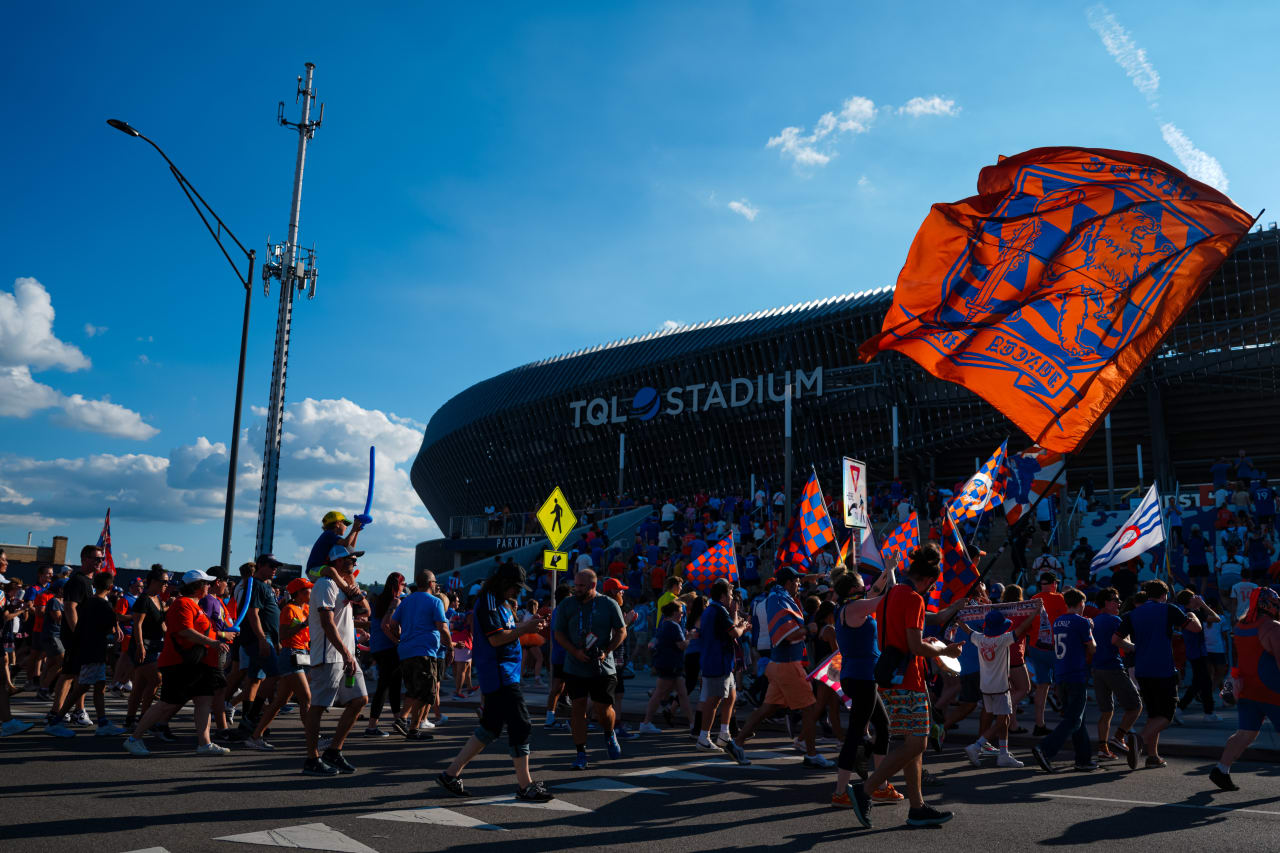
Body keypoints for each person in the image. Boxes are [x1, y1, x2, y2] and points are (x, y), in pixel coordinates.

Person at [850, 545, 962, 830]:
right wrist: (944, 652)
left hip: (890, 677)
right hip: (907, 680)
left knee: (915, 746)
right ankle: (866, 789)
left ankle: (917, 807)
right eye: (931, 586)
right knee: (917, 743)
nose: (929, 590)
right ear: (927, 580)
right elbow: (914, 645)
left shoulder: (890, 596)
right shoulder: (914, 598)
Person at [437, 562, 554, 802]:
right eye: (515, 587)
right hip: (500, 673)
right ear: (504, 584)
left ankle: (451, 774)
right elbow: (496, 639)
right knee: (521, 725)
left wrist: (529, 626)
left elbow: (507, 632)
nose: (518, 592)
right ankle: (525, 786)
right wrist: (525, 629)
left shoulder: (499, 602)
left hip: (504, 673)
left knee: (490, 727)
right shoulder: (489, 602)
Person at [123, 570, 237, 756]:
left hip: (196, 663)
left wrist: (218, 638)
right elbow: (184, 631)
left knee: (204, 701)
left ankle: (204, 743)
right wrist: (213, 642)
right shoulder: (183, 604)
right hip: (180, 663)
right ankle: (134, 738)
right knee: (167, 703)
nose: (209, 586)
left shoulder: (194, 604)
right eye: (206, 583)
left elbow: (201, 631)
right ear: (197, 586)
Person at [732, 567, 833, 769]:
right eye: (796, 581)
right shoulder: (779, 601)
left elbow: (790, 584)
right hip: (788, 664)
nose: (799, 585)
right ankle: (812, 754)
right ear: (788, 583)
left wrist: (808, 577)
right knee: (810, 709)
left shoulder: (778, 595)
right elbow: (787, 636)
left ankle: (736, 743)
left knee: (767, 709)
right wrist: (809, 630)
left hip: (779, 664)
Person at [1113, 580, 1203, 769]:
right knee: (1167, 715)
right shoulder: (1168, 609)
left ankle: (1153, 756)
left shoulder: (1133, 614)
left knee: (1154, 715)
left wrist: (1134, 648)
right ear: (1164, 595)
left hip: (1142, 670)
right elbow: (1195, 628)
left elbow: (1116, 639)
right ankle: (1139, 740)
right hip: (1162, 669)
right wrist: (1192, 614)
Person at [830, 571, 899, 808]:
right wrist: (890, 574)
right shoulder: (856, 608)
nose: (866, 586)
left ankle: (881, 785)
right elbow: (889, 598)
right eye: (861, 583)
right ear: (852, 590)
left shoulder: (847, 606)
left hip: (859, 675)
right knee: (856, 734)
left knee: (883, 726)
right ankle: (840, 792)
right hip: (862, 677)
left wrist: (886, 570)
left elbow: (875, 591)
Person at [302, 545, 370, 776]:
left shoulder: (344, 586)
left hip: (346, 654)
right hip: (329, 654)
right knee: (319, 707)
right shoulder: (325, 585)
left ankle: (334, 751)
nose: (355, 564)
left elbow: (366, 610)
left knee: (360, 699)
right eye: (351, 561)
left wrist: (354, 589)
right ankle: (312, 758)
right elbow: (327, 623)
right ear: (339, 562)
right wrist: (345, 654)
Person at [554, 568, 627, 769]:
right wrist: (574, 652)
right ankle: (580, 753)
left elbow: (622, 631)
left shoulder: (609, 604)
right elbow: (558, 633)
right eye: (575, 585)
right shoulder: (567, 604)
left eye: (581, 586)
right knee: (577, 707)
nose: (576, 589)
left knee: (602, 710)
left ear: (593, 586)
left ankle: (609, 733)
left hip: (602, 667)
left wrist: (607, 650)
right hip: (575, 666)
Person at [1210, 588, 1280, 791]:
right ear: (1268, 605)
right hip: (1272, 690)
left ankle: (1221, 769)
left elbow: (1239, 659)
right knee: (1246, 733)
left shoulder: (1240, 626)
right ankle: (1221, 770)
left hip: (1247, 688)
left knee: (1245, 733)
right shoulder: (1273, 628)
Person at [959, 605, 1039, 769]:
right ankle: (977, 746)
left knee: (1006, 718)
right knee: (1002, 721)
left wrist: (958, 619)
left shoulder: (980, 639)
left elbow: (968, 631)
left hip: (986, 686)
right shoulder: (1003, 639)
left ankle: (1003, 753)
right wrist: (1035, 613)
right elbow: (1022, 628)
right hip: (1001, 687)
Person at [1030, 588, 1097, 773]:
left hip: (1061, 675)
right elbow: (1092, 649)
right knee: (1074, 720)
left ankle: (1083, 759)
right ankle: (1045, 749)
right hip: (1076, 674)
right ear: (1081, 603)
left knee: (1078, 719)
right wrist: (1091, 628)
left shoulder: (1058, 621)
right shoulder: (1082, 622)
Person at [53, 571, 127, 737]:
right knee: (82, 687)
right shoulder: (103, 604)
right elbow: (111, 627)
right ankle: (55, 720)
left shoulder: (87, 603)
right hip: (94, 651)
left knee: (99, 686)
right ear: (110, 587)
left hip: (87, 649)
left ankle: (102, 722)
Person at [244, 578, 314, 751]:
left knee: (280, 701)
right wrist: (303, 625)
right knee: (306, 698)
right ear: (298, 593)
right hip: (290, 655)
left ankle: (255, 736)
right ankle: (313, 739)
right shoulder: (289, 609)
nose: (310, 593)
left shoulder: (305, 608)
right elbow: (283, 635)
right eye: (307, 590)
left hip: (301, 654)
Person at [387, 569, 452, 741]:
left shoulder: (406, 601)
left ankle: (409, 725)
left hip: (406, 650)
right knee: (427, 691)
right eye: (435, 582)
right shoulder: (435, 602)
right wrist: (451, 648)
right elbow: (443, 628)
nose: (436, 585)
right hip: (424, 651)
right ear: (431, 584)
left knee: (415, 689)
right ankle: (405, 721)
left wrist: (401, 637)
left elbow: (392, 623)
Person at [45, 545, 103, 735]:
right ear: (84, 558)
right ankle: (55, 715)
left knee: (78, 675)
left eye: (100, 559)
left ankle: (78, 710)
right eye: (96, 558)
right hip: (75, 637)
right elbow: (70, 608)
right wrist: (79, 635)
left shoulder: (88, 581)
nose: (99, 562)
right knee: (69, 674)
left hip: (83, 637)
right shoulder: (77, 581)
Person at [694, 578, 749, 762]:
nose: (732, 597)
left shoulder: (713, 609)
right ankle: (704, 737)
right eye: (731, 594)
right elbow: (734, 632)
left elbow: (729, 627)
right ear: (724, 595)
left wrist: (734, 615)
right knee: (714, 700)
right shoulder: (717, 610)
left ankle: (724, 733)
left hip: (720, 660)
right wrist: (743, 626)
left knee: (731, 695)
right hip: (718, 661)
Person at [1090, 587, 1143, 761]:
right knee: (1136, 706)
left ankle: (1103, 749)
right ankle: (1118, 737)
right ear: (1106, 602)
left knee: (1106, 712)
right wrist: (1136, 647)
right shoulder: (1115, 620)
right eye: (1115, 599)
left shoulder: (1095, 621)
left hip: (1097, 670)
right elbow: (1124, 643)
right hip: (1113, 668)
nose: (1119, 602)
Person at [237, 554, 285, 735]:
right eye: (272, 566)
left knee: (255, 678)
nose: (275, 569)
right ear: (260, 566)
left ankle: (247, 720)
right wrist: (262, 639)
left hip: (266, 638)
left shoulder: (263, 586)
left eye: (276, 566)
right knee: (274, 674)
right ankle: (253, 716)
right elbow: (253, 614)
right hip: (260, 639)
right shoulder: (255, 585)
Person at [124, 566, 168, 736]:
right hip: (144, 646)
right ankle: (145, 718)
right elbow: (138, 624)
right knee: (156, 679)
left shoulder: (157, 598)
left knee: (141, 684)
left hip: (156, 645)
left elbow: (162, 624)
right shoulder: (143, 599)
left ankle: (131, 719)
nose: (166, 585)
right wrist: (140, 645)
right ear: (154, 582)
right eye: (164, 582)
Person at [638, 600, 695, 733]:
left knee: (682, 694)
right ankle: (646, 723)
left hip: (669, 664)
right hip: (671, 664)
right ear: (675, 613)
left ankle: (693, 724)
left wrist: (686, 637)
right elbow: (681, 645)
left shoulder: (665, 624)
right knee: (659, 694)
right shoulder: (674, 626)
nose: (682, 614)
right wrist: (691, 637)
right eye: (681, 612)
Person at [366, 572, 405, 736]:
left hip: (377, 647)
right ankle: (372, 726)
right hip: (388, 647)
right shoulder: (395, 601)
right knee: (384, 686)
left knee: (394, 683)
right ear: (398, 585)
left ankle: (398, 719)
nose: (404, 588)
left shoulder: (378, 600)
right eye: (403, 585)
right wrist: (397, 641)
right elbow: (384, 625)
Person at [1028, 572, 1067, 736]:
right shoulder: (1059, 598)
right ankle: (1070, 718)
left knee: (1042, 687)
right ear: (1053, 584)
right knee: (1065, 681)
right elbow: (1067, 620)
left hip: (1035, 647)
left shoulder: (1033, 599)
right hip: (1053, 648)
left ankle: (1039, 723)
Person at [1175, 589, 1222, 722]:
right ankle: (1181, 708)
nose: (1197, 599)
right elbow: (1216, 618)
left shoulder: (1194, 613)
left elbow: (1216, 618)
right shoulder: (1189, 613)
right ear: (1189, 601)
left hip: (1199, 652)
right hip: (1196, 652)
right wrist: (1203, 605)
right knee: (1202, 682)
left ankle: (1207, 712)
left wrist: (1202, 605)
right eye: (1194, 598)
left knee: (1201, 682)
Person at [305, 510, 369, 576]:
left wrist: (356, 532)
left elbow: (350, 549)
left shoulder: (333, 538)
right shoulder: (328, 534)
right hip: (314, 570)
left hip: (322, 569)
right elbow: (346, 543)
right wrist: (354, 528)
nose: (347, 527)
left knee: (348, 572)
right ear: (338, 524)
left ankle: (352, 586)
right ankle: (346, 587)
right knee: (332, 571)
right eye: (346, 523)